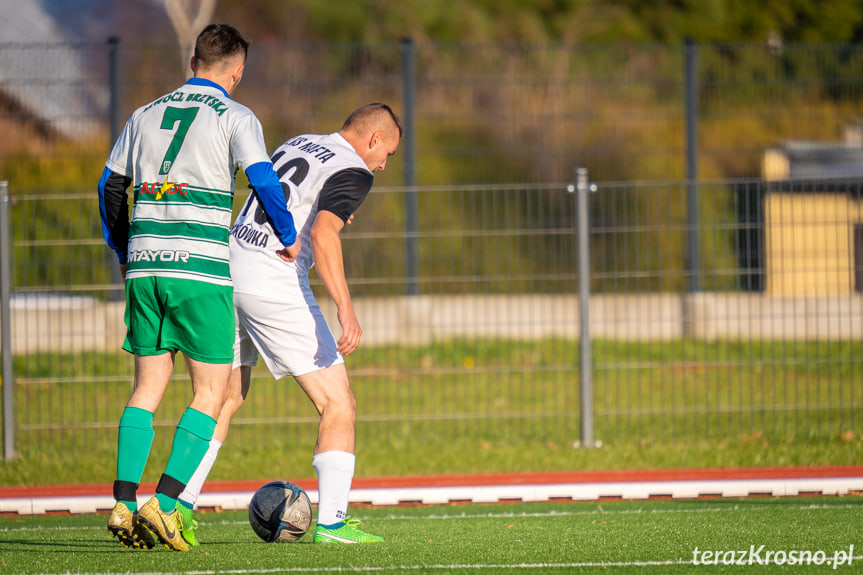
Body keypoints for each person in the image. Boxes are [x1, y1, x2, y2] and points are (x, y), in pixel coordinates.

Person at [98, 23, 301, 552]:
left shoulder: (142, 114)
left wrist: (126, 250)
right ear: (236, 71)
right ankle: (164, 506)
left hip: (145, 268)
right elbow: (262, 178)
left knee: (146, 388)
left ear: (193, 61)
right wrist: (287, 235)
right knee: (213, 392)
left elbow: (111, 186)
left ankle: (122, 502)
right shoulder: (236, 116)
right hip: (201, 271)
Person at [173, 103, 402, 546]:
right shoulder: (355, 168)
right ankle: (333, 525)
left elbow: (289, 200)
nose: (384, 163)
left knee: (225, 395)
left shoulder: (298, 142)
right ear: (373, 139)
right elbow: (322, 234)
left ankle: (177, 507)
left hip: (227, 268)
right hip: (272, 280)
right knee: (339, 403)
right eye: (387, 153)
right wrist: (346, 308)